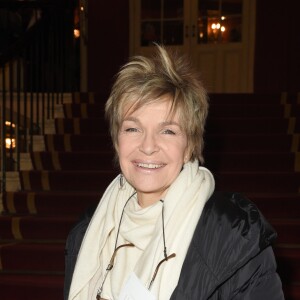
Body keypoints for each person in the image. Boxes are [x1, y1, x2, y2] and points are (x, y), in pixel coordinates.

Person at [64, 45, 284, 300]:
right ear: (116, 141)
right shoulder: (88, 231)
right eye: (132, 129)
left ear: (190, 145)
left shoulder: (233, 234)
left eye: (167, 131)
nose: (147, 146)